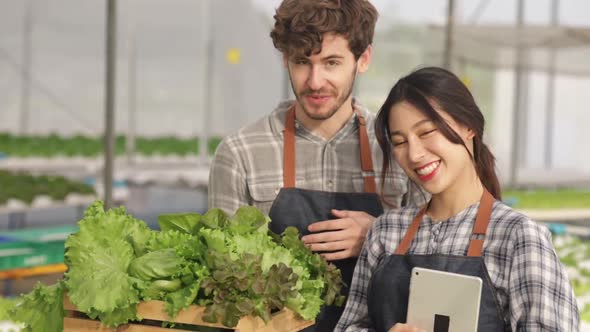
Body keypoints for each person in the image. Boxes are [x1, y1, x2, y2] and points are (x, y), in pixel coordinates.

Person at [208, 0, 426, 330]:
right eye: (302, 62)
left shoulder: (398, 147)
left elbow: (438, 255)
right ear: (285, 59)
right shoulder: (241, 153)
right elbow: (221, 274)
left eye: (332, 63)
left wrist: (378, 234)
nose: (315, 81)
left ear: (363, 59)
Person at [335, 67, 579, 331]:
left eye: (426, 132)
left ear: (468, 127)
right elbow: (350, 326)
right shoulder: (386, 231)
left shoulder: (517, 237)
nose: (414, 154)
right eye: (400, 142)